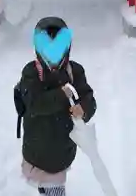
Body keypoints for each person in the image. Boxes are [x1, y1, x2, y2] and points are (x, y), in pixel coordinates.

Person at [18, 17, 97, 196]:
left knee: (52, 184)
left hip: (63, 148)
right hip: (37, 148)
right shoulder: (31, 72)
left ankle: (45, 189)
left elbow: (89, 98)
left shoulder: (75, 71)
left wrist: (83, 109)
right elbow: (34, 103)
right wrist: (61, 94)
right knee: (54, 188)